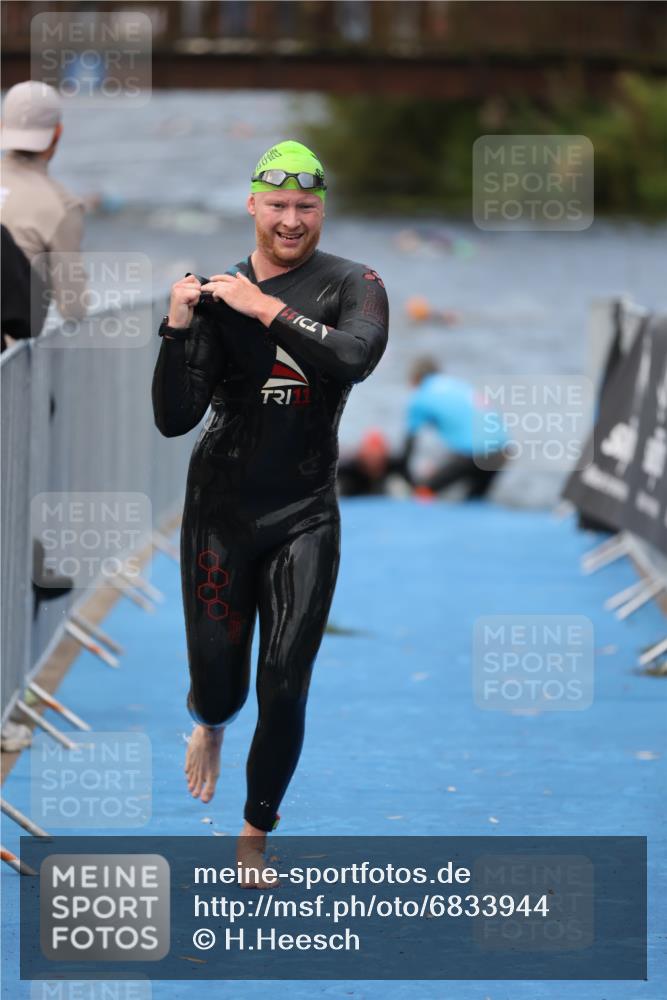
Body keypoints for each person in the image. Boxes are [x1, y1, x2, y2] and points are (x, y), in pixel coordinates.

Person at [151, 140, 388, 883]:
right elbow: (172, 417)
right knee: (222, 685)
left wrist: (267, 309)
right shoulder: (217, 294)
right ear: (252, 205)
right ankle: (210, 719)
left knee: (285, 678)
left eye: (306, 207)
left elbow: (354, 358)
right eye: (277, 206)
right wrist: (178, 326)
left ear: (322, 210)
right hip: (218, 511)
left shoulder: (357, 282)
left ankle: (254, 831)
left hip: (304, 510)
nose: (291, 221)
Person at [0, 80, 87, 342]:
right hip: (11, 362)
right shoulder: (62, 206)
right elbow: (73, 309)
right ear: (57, 132)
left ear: (3, 126)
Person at [401, 357, 507, 499]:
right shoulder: (457, 384)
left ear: (415, 379)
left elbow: (409, 446)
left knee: (423, 490)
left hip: (476, 451)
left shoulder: (421, 396)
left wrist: (407, 479)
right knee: (475, 498)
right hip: (503, 449)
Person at [337, 428, 407, 496]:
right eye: (370, 454)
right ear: (362, 454)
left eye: (377, 455)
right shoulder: (348, 473)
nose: (373, 460)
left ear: (385, 455)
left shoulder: (396, 470)